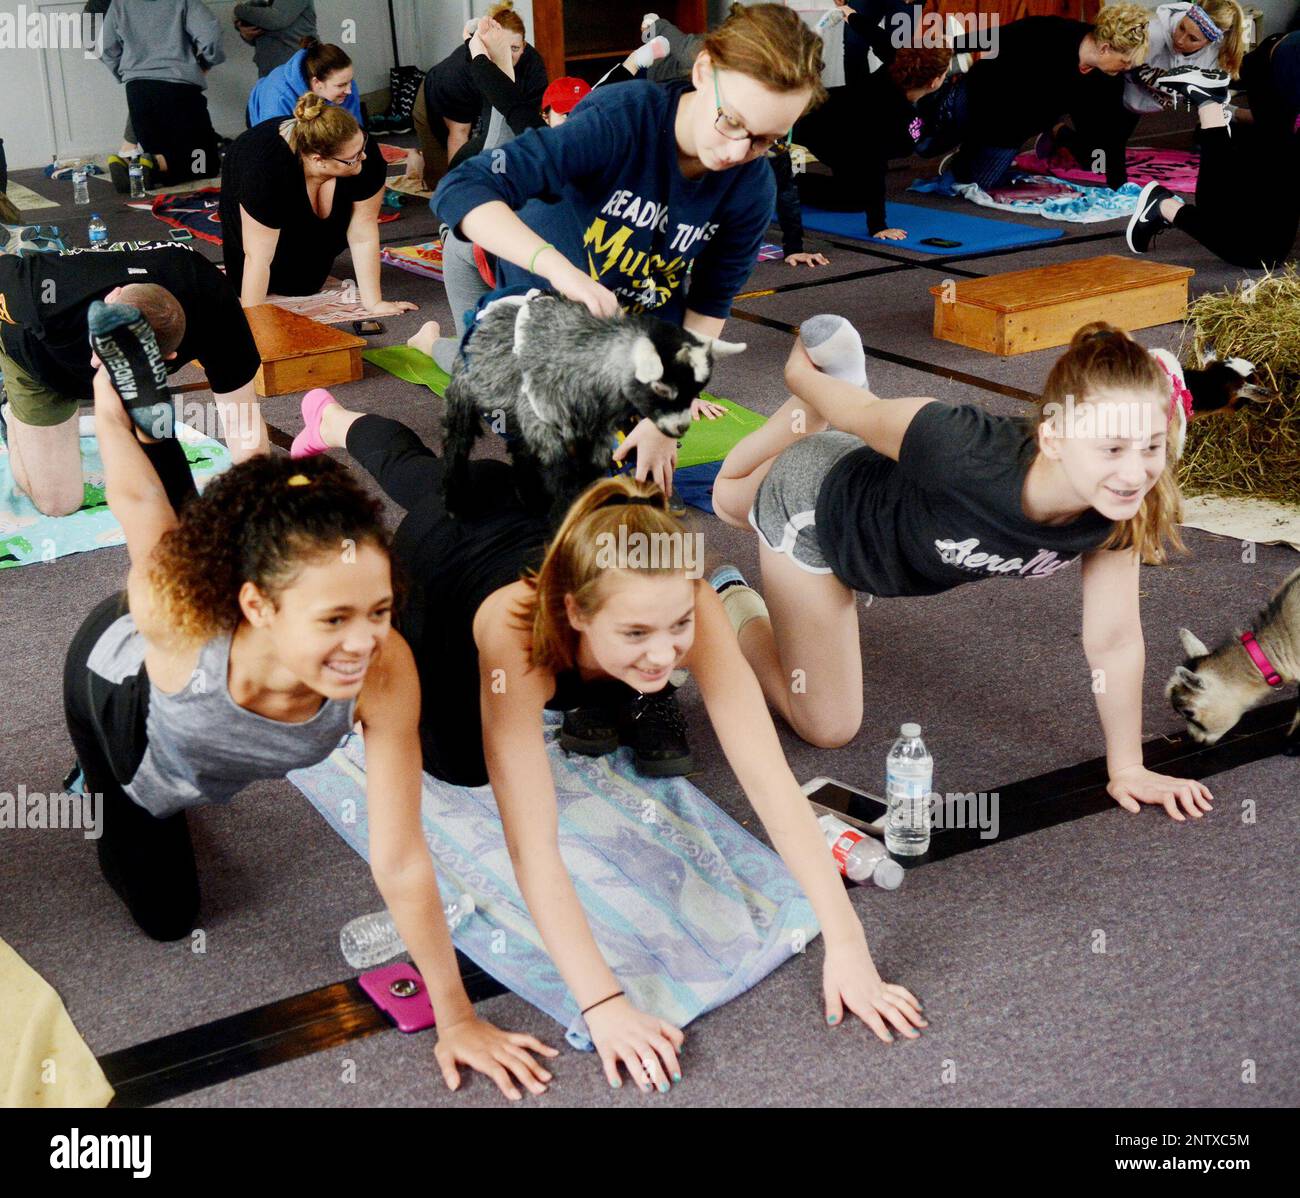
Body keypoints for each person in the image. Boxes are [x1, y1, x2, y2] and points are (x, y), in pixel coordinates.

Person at [292, 390, 927, 1090]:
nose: (664, 654)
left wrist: (848, 943)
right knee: (461, 762)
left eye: (676, 627)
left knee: (463, 489)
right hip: (447, 561)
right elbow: (532, 847)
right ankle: (336, 421)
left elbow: (770, 781)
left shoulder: (684, 597)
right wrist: (603, 1004)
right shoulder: (515, 638)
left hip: (535, 525)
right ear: (575, 613)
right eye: (636, 634)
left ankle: (343, 426)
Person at [63, 321, 557, 1101]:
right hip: (122, 702)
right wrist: (104, 406)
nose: (365, 641)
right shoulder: (177, 623)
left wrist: (457, 1015)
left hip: (227, 618)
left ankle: (165, 428)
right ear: (258, 607)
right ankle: (147, 421)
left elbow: (400, 856)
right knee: (167, 916)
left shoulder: (383, 665)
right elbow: (134, 500)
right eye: (335, 619)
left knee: (217, 534)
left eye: (380, 609)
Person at [710, 316, 1216, 823]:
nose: (1135, 472)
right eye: (1112, 448)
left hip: (885, 487)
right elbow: (861, 412)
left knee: (733, 502)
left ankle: (796, 446)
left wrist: (1128, 767)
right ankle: (731, 599)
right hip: (815, 509)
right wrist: (804, 379)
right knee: (827, 726)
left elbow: (1114, 640)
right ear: (1054, 439)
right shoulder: (961, 446)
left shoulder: (1120, 506)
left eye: (1151, 446)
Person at [433, 1, 825, 496]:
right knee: (557, 488)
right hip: (538, 321)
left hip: (631, 338)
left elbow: (710, 306)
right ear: (703, 70)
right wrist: (563, 273)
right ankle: (434, 345)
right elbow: (461, 189)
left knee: (636, 488)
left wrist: (668, 415)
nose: (735, 152)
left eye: (764, 139)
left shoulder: (750, 187)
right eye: (730, 120)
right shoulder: (621, 119)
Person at [0, 243, 267, 517]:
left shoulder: (216, 310)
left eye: (116, 362)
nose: (95, 363)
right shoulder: (39, 293)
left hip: (84, 345)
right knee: (57, 504)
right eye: (101, 347)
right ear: (111, 298)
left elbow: (243, 425)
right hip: (37, 359)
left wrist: (260, 511)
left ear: (168, 357)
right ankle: (9, 410)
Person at [920, 4, 1151, 193]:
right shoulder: (1050, 31)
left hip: (1008, 134)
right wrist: (951, 47)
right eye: (1124, 61)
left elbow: (1110, 137)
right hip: (977, 99)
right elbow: (997, 37)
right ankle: (946, 85)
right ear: (1105, 48)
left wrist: (1120, 186)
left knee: (975, 184)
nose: (1127, 67)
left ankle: (967, 155)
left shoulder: (1107, 79)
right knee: (925, 146)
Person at [219, 94, 417, 313]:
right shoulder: (265, 171)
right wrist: (255, 323)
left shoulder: (358, 148)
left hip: (307, 179)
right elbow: (257, 257)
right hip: (252, 168)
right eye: (353, 158)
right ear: (318, 159)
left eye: (362, 149)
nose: (364, 157)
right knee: (246, 284)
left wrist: (375, 303)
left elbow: (363, 233)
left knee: (304, 285)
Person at [1126, 30, 1299, 269]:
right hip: (1282, 66)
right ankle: (1164, 206)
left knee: (1254, 225)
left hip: (1281, 58)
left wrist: (1231, 113)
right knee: (1261, 249)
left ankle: (1208, 102)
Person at [412, 3, 539, 192]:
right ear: (486, 48)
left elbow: (524, 125)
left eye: (514, 48)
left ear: (524, 46)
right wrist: (461, 190)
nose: (509, 55)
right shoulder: (459, 75)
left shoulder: (532, 64)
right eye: (503, 48)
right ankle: (416, 159)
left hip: (478, 109)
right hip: (437, 104)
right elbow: (458, 135)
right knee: (441, 186)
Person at [98, 0, 225, 187]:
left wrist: (125, 74)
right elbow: (210, 35)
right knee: (205, 161)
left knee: (163, 152)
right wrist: (206, 63)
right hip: (180, 89)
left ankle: (131, 167)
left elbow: (106, 47)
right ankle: (151, 166)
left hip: (137, 91)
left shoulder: (120, 3)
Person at [247, 37, 363, 126]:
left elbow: (354, 129)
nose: (349, 90)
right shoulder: (278, 99)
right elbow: (276, 145)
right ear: (317, 82)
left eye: (350, 81)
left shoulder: (345, 84)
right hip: (266, 111)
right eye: (341, 85)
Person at [233, 0, 318, 78]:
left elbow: (276, 20)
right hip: (270, 72)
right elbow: (259, 30)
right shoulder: (260, 3)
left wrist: (238, 9)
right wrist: (245, 33)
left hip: (298, 69)